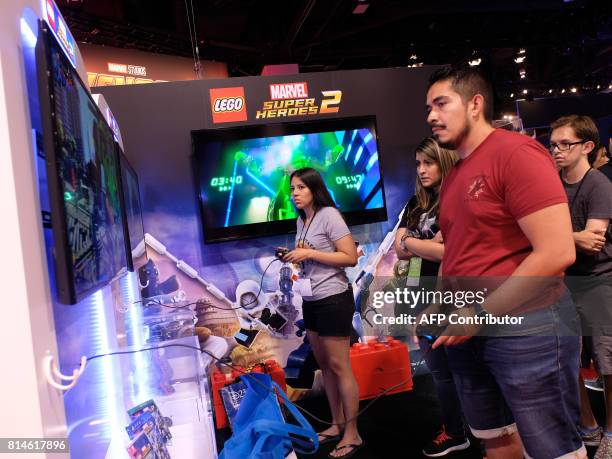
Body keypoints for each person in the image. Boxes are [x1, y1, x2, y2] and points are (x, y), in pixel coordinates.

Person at [424, 66, 584, 459]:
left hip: (529, 325)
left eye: (441, 103)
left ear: (475, 104)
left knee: (553, 447)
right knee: (493, 435)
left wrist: (478, 312)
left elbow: (558, 251)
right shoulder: (457, 173)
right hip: (471, 332)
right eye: (428, 107)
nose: (430, 115)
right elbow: (461, 250)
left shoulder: (515, 152)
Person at [394, 137, 470, 457]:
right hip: (418, 293)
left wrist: (412, 243)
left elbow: (448, 252)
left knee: (461, 370)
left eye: (429, 162)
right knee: (440, 371)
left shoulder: (455, 199)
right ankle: (456, 429)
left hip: (450, 296)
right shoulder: (416, 203)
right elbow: (399, 249)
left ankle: (463, 431)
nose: (422, 170)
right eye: (418, 164)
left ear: (444, 161)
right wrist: (418, 245)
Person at [283, 167, 362, 459]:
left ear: (314, 189)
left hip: (333, 299)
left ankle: (353, 434)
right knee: (325, 366)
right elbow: (308, 258)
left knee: (340, 366)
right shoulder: (300, 220)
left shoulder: (329, 215)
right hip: (312, 299)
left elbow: (350, 257)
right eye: (292, 189)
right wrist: (294, 257)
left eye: (301, 188)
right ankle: (336, 424)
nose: (295, 194)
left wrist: (310, 254)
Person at [550, 114, 612, 458]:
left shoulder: (599, 184)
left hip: (600, 279)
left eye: (565, 144)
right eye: (554, 144)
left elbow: (593, 242)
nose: (557, 150)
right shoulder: (551, 183)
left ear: (587, 147)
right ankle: (587, 423)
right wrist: (568, 237)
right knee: (568, 358)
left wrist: (552, 237)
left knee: (607, 361)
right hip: (562, 281)